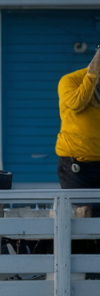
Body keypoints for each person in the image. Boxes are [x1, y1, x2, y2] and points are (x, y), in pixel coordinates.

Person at [56, 43, 100, 193]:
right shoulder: (70, 81)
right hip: (76, 165)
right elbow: (77, 103)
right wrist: (93, 75)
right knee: (82, 212)